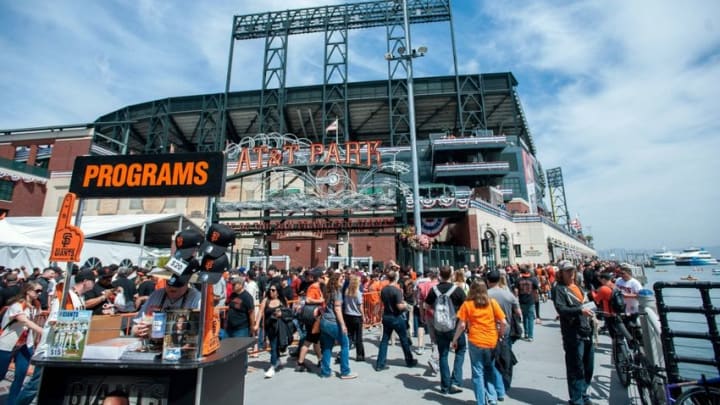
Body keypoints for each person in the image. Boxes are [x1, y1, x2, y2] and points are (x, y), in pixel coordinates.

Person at [16, 268, 97, 405]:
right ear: (85, 281)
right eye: (92, 281)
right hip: (49, 350)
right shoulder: (65, 296)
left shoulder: (79, 298)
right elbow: (54, 321)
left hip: (65, 350)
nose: (94, 284)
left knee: (51, 387)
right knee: (34, 387)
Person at [452, 281, 506, 405]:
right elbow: (503, 322)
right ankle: (492, 397)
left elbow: (462, 325)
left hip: (475, 340)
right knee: (489, 369)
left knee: (477, 372)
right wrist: (500, 334)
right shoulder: (492, 303)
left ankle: (481, 401)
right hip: (491, 340)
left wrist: (454, 339)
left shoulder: (467, 304)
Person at [552, 260, 596, 405]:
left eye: (572, 270)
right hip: (573, 333)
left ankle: (584, 393)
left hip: (587, 329)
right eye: (567, 271)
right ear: (561, 273)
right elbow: (561, 309)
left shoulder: (577, 286)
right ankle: (576, 399)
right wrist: (579, 310)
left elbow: (583, 303)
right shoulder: (559, 289)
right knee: (575, 366)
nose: (571, 273)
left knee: (588, 365)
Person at [0, 282, 45, 404]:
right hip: (7, 344)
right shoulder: (17, 305)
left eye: (41, 291)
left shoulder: (35, 306)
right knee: (1, 374)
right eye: (37, 291)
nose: (40, 293)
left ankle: (12, 402)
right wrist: (42, 331)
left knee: (20, 375)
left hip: (25, 344)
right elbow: (24, 321)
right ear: (28, 291)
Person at [425, 266, 467, 394]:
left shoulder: (434, 290)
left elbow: (426, 305)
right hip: (455, 325)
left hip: (440, 325)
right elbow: (466, 306)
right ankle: (455, 381)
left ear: (440, 275)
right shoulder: (457, 290)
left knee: (443, 354)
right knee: (460, 350)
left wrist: (436, 311)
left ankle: (445, 385)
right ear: (451, 275)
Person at [132, 274, 201, 337]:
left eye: (178, 285)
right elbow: (136, 325)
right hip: (152, 344)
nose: (172, 288)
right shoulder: (156, 294)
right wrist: (137, 330)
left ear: (186, 283)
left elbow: (198, 332)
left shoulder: (197, 298)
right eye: (169, 284)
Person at [375, 270, 418, 371]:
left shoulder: (384, 290)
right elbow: (399, 306)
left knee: (384, 340)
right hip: (396, 317)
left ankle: (380, 364)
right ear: (396, 278)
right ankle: (409, 360)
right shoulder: (396, 290)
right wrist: (406, 305)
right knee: (404, 339)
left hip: (387, 316)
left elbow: (383, 302)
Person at [319, 272, 357, 379]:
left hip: (325, 321)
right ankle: (345, 371)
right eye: (341, 278)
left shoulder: (328, 291)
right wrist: (343, 325)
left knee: (327, 347)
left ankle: (325, 371)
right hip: (333, 322)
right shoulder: (337, 292)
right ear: (336, 280)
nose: (343, 280)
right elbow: (337, 309)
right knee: (345, 344)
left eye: (344, 278)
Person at [255, 283, 287, 378]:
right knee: (274, 345)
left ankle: (272, 366)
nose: (271, 292)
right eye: (270, 290)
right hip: (269, 327)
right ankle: (277, 360)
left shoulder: (282, 301)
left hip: (280, 327)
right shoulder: (266, 300)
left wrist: (281, 314)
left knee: (274, 345)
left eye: (273, 290)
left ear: (278, 292)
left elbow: (288, 312)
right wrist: (257, 324)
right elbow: (260, 312)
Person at [342, 274, 365, 361]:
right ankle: (360, 355)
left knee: (349, 336)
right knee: (358, 337)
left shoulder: (347, 291)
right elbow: (360, 306)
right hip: (356, 316)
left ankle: (343, 353)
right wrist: (364, 316)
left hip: (348, 315)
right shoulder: (358, 293)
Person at [514, 265, 539, 341]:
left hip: (522, 300)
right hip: (530, 300)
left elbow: (516, 291)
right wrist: (535, 298)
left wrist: (516, 298)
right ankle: (530, 336)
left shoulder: (518, 280)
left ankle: (526, 333)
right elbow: (535, 291)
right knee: (530, 317)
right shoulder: (533, 279)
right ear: (528, 271)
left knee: (524, 317)